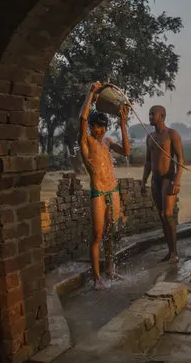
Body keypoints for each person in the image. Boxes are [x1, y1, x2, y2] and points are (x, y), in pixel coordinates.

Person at [78, 81, 130, 290]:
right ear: (91, 126)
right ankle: (97, 278)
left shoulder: (107, 141)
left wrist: (123, 125)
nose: (99, 130)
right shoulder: (87, 142)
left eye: (103, 126)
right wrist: (91, 93)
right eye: (96, 126)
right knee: (98, 234)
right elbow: (81, 119)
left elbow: (126, 151)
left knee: (111, 232)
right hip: (99, 191)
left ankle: (110, 269)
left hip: (113, 189)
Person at [141, 105, 184, 264]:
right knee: (161, 216)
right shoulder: (150, 137)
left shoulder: (172, 134)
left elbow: (181, 160)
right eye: (150, 114)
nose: (151, 117)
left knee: (167, 214)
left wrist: (177, 181)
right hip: (155, 180)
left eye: (154, 114)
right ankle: (170, 251)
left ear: (162, 116)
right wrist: (143, 181)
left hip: (168, 178)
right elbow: (147, 161)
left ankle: (175, 252)